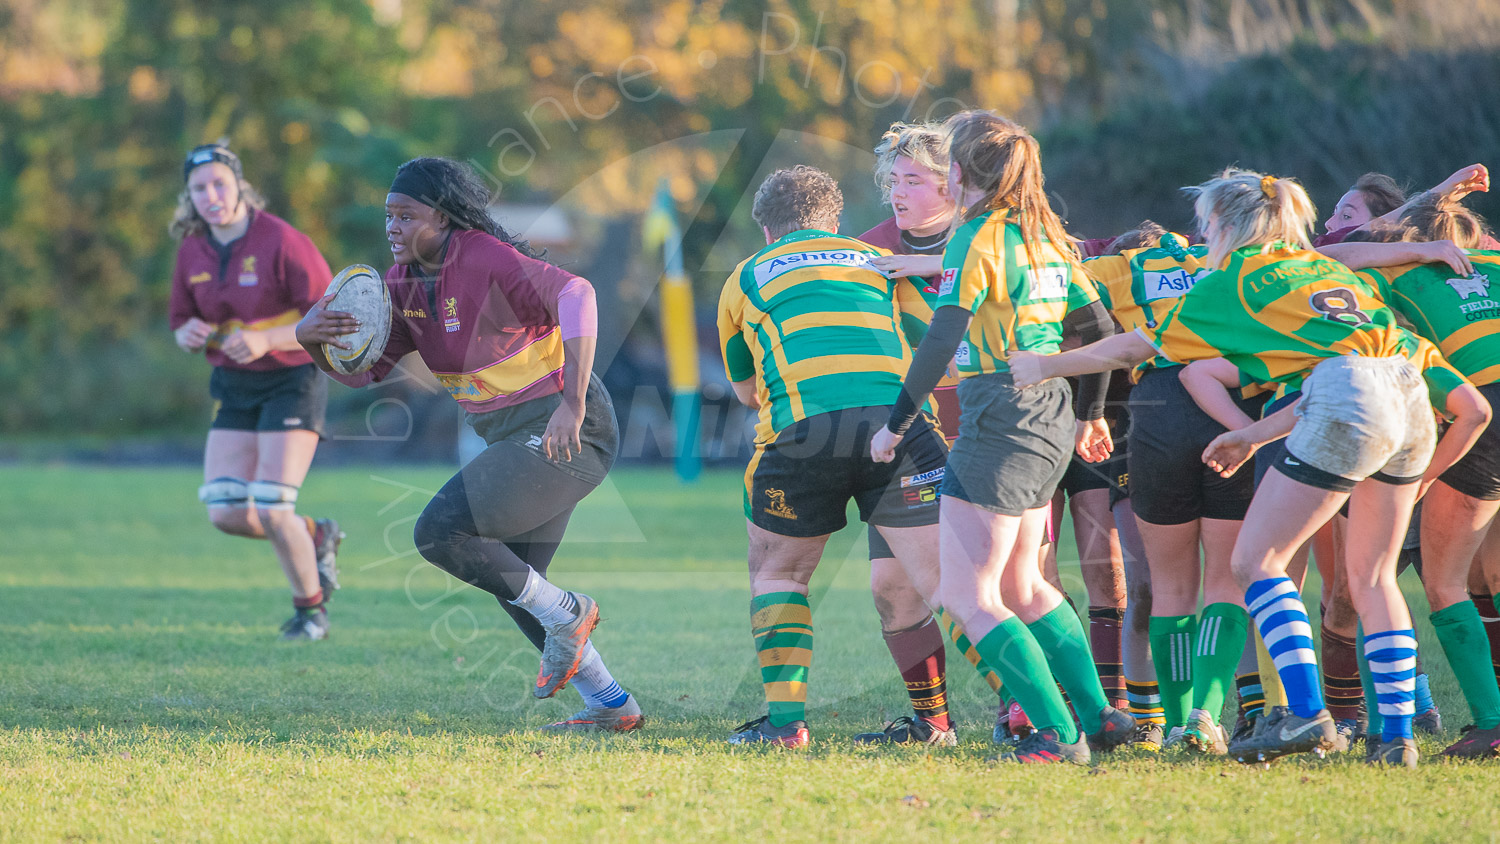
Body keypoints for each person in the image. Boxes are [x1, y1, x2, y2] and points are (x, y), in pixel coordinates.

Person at [1010, 168, 1488, 768]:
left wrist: (1048, 364)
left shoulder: (1232, 281)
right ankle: (1397, 738)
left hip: (1342, 396)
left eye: (1207, 223)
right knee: (1375, 579)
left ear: (1226, 226)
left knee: (1253, 563)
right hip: (1409, 392)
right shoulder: (1328, 270)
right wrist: (1420, 479)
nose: (1202, 234)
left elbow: (1138, 347)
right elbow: (1472, 410)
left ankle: (1307, 713)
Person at [294, 157, 640, 731]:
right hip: (519, 438)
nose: (393, 227)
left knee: (441, 533)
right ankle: (612, 704)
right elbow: (365, 372)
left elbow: (578, 294)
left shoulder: (482, 256)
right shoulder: (401, 284)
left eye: (405, 216)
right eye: (388, 216)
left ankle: (570, 613)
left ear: (445, 216)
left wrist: (573, 403)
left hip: (572, 430)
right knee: (514, 579)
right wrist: (310, 341)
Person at [869, 111, 1134, 765]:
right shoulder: (1044, 235)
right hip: (1049, 414)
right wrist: (1091, 412)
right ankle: (1100, 715)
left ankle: (1058, 735)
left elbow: (941, 338)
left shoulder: (977, 236)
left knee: (967, 596)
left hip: (997, 419)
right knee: (1024, 586)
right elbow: (1097, 328)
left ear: (958, 172)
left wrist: (895, 423)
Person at [715, 166, 951, 748]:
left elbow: (746, 391)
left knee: (779, 575)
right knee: (945, 586)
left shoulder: (744, 278)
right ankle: (1023, 719)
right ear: (835, 222)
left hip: (801, 433)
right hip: (899, 427)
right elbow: (940, 352)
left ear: (767, 230)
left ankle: (786, 726)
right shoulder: (877, 261)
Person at [853, 122, 1012, 747]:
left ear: (952, 182)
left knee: (1008, 581)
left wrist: (923, 263)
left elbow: (1053, 268)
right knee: (893, 587)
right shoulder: (868, 250)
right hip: (906, 435)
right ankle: (935, 723)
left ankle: (1030, 709)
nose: (898, 192)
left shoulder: (991, 235)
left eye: (914, 180)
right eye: (893, 180)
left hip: (992, 424)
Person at [168, 142, 343, 642]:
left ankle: (311, 613)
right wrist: (187, 334)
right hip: (235, 384)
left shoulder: (283, 241)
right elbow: (181, 319)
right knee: (224, 510)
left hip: (292, 380)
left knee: (271, 505)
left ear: (240, 185)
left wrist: (267, 338)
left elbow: (329, 317)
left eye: (219, 183)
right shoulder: (192, 250)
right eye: (199, 188)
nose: (210, 195)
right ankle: (315, 535)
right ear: (189, 196)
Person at [1354, 204, 1500, 758]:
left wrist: (1426, 476)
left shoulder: (1397, 272)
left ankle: (1491, 724)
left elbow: (1327, 257)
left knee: (1443, 584)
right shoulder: (1494, 268)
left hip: (1483, 409)